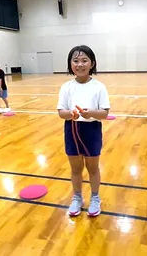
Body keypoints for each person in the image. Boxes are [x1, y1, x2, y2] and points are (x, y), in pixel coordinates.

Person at [57, 45, 110, 217]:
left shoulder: (99, 87)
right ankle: (77, 197)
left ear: (92, 63)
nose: (80, 64)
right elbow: (61, 112)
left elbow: (104, 113)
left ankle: (95, 197)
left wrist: (90, 114)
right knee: (75, 168)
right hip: (71, 128)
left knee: (92, 167)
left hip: (91, 129)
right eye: (75, 60)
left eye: (84, 60)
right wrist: (70, 114)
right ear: (70, 64)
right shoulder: (66, 87)